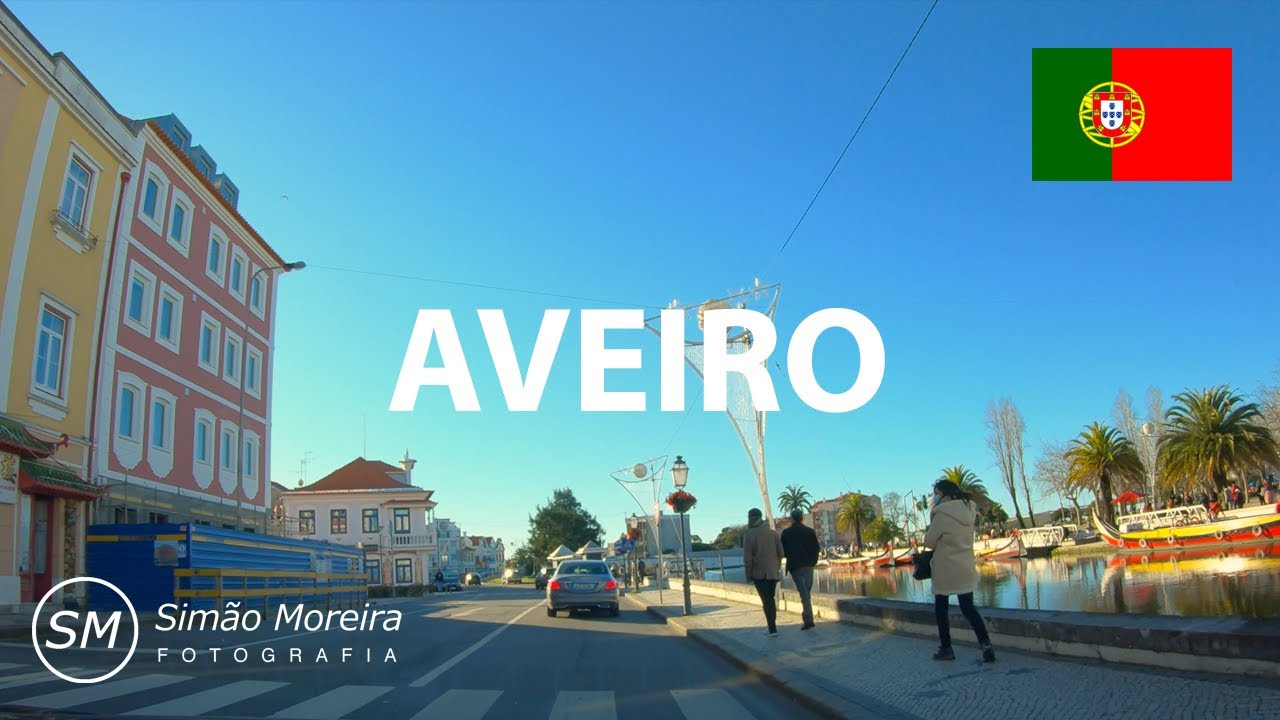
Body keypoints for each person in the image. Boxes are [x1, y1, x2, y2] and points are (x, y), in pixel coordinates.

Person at [923, 479, 995, 663]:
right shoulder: (969, 509)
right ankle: (986, 643)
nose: (935, 497)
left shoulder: (940, 514)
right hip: (965, 566)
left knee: (941, 609)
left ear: (944, 494)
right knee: (969, 608)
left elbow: (929, 542)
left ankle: (946, 648)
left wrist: (932, 520)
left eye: (937, 493)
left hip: (945, 568)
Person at [743, 507, 785, 636]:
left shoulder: (749, 535)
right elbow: (781, 553)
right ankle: (773, 626)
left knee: (766, 600)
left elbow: (747, 558)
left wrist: (748, 574)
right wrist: (776, 565)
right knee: (770, 599)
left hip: (759, 573)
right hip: (773, 572)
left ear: (751, 518)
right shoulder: (773, 533)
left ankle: (772, 628)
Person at [780, 509, 820, 630]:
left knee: (804, 594)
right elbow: (816, 549)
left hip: (796, 567)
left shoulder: (786, 533)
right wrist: (813, 562)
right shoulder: (810, 531)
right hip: (809, 566)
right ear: (802, 518)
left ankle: (808, 620)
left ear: (792, 519)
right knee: (806, 593)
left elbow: (783, 551)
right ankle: (808, 618)